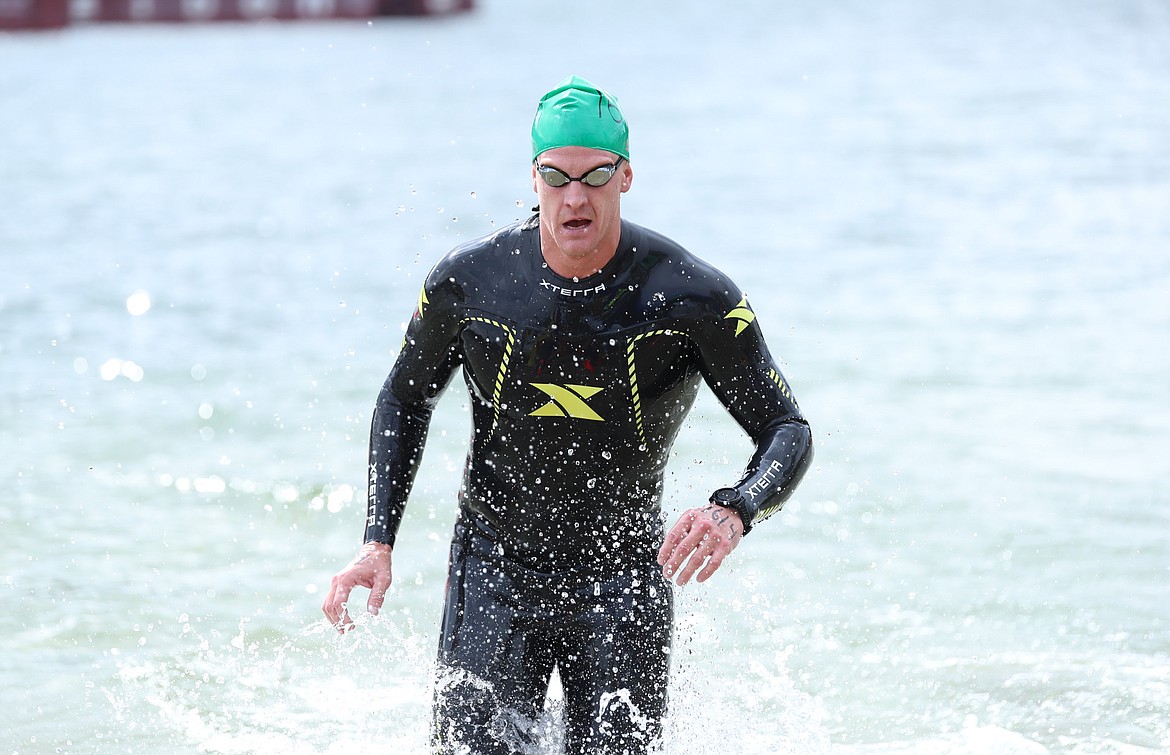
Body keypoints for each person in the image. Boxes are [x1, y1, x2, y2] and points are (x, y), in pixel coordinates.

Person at [322, 75, 813, 754]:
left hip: (623, 574)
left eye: (594, 175)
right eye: (556, 177)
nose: (574, 196)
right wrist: (378, 539)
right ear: (534, 177)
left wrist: (735, 509)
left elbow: (787, 429)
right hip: (495, 565)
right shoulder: (472, 283)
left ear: (626, 176)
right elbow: (403, 397)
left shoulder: (689, 296)